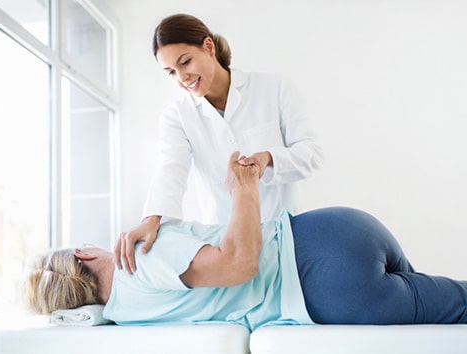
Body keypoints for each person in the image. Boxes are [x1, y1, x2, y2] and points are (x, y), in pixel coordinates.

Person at [25, 152, 467, 331]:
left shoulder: (119, 314)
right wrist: (244, 191)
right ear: (86, 254)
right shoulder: (143, 260)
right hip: (325, 263)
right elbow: (238, 263)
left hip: (336, 282)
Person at [115, 13, 324, 273]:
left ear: (209, 47)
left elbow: (311, 154)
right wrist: (151, 219)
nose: (182, 78)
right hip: (226, 244)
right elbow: (170, 170)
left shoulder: (274, 88)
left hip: (287, 235)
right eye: (171, 72)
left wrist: (268, 158)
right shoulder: (177, 116)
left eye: (185, 62)